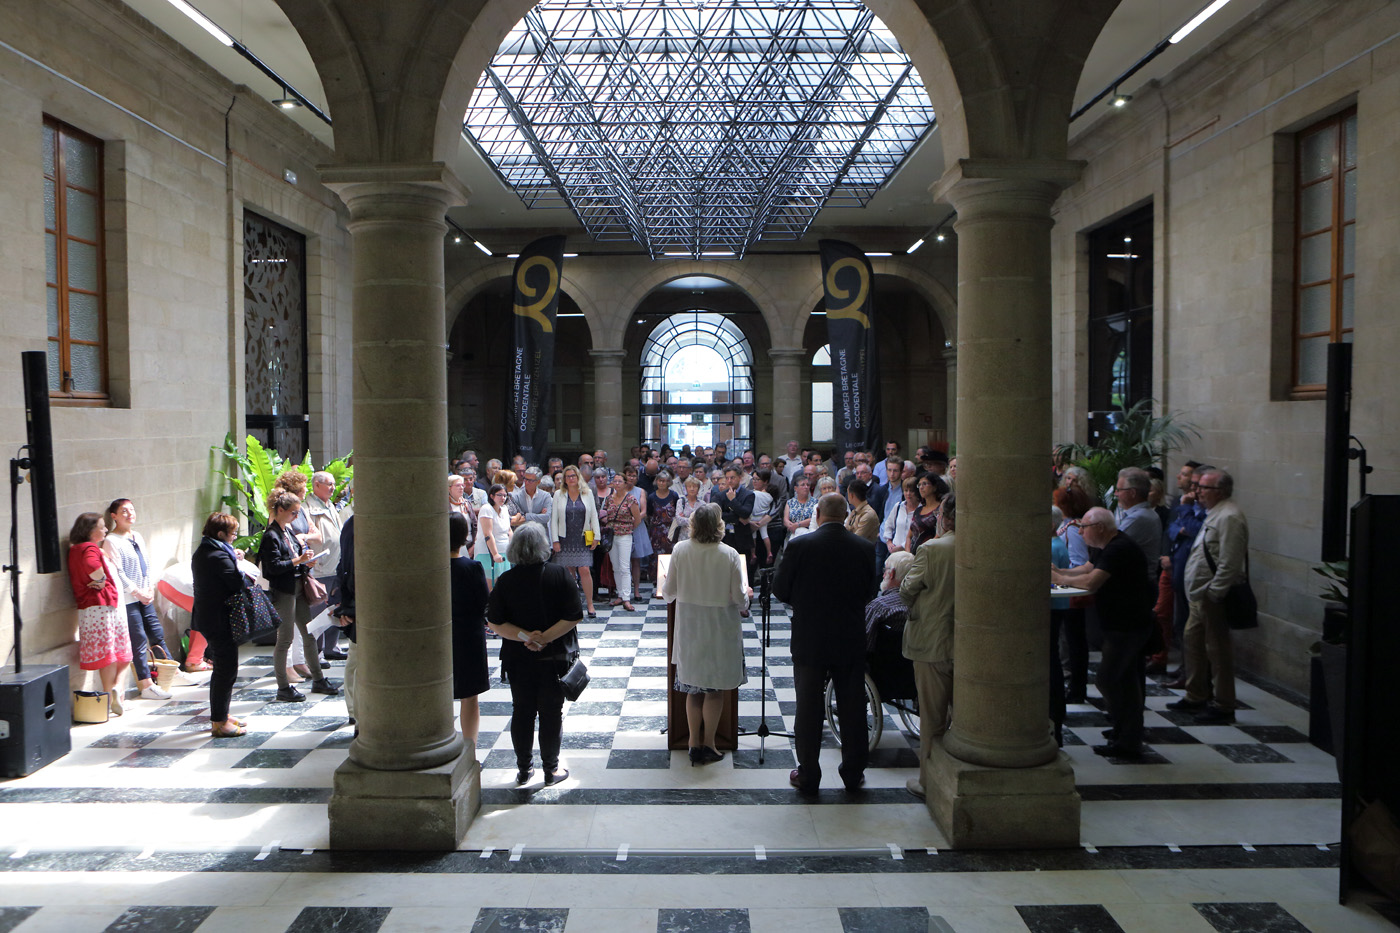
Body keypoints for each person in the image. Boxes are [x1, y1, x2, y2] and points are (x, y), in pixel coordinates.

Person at [772, 493, 879, 795]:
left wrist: (805, 602)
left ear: (817, 513)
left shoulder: (800, 545)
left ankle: (808, 773)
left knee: (808, 706)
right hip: (849, 636)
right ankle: (853, 772)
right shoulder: (864, 547)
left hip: (811, 637)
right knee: (853, 706)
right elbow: (869, 590)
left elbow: (780, 590)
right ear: (846, 515)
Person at [1052, 507, 1154, 758]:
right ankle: (1126, 732)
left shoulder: (1119, 548)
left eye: (1083, 528)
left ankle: (1128, 736)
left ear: (1098, 528)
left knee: (1109, 679)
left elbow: (1090, 582)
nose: (1080, 532)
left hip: (1128, 626)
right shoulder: (1106, 547)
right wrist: (1060, 573)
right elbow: (1086, 569)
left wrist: (1054, 574)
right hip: (1119, 625)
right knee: (1125, 680)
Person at [487, 523, 584, 786]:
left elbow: (494, 622)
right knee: (552, 713)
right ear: (543, 546)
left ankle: (523, 770)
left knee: (522, 711)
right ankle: (551, 770)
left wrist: (526, 637)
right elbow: (574, 615)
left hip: (518, 660)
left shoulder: (506, 580)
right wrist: (544, 638)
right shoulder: (560, 574)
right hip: (555, 660)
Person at [662, 502, 747, 765]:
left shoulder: (680, 550)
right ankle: (709, 742)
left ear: (694, 525)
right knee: (714, 689)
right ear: (719, 525)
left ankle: (691, 743)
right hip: (720, 628)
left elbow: (668, 593)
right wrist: (747, 596)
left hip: (690, 628)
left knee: (693, 687)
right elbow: (739, 599)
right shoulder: (730, 553)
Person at [1172, 468, 1249, 725]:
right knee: (1192, 641)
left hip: (1211, 596)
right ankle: (1196, 694)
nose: (1198, 492)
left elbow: (1230, 560)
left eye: (1203, 488)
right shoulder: (1213, 513)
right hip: (1199, 595)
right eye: (1198, 487)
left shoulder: (1230, 517)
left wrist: (1216, 591)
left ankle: (1224, 703)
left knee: (1217, 650)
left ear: (1220, 491)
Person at [898, 493, 956, 798]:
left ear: (944, 517)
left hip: (934, 640)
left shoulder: (934, 548)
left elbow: (907, 590)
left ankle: (928, 780)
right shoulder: (987, 541)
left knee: (932, 718)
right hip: (970, 645)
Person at [260, 489, 339, 702]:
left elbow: (294, 558)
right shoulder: (271, 535)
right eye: (293, 513)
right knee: (285, 638)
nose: (297, 517)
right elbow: (271, 568)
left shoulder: (286, 532)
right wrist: (298, 561)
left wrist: (306, 562)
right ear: (280, 510)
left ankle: (319, 679)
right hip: (284, 591)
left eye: (298, 513)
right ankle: (283, 687)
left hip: (298, 587)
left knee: (309, 633)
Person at [102, 498, 173, 700]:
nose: (129, 513)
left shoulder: (137, 536)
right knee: (139, 639)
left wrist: (148, 588)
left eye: (132, 510)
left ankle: (171, 672)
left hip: (145, 594)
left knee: (157, 633)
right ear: (114, 516)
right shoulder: (111, 541)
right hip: (128, 598)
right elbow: (118, 572)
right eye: (124, 511)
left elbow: (146, 565)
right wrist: (137, 592)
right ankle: (146, 684)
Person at [191, 512, 254, 737]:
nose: (234, 536)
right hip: (219, 620)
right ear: (220, 534)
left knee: (224, 669)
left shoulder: (205, 550)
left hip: (211, 618)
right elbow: (236, 582)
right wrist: (238, 562)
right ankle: (219, 722)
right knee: (225, 671)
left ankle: (222, 715)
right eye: (233, 533)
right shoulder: (217, 556)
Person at [67, 512, 133, 717]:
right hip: (103, 606)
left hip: (93, 607)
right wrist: (102, 579)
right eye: (102, 526)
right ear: (89, 530)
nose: (105, 530)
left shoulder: (76, 550)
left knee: (113, 652)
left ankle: (113, 691)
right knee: (115, 651)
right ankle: (113, 691)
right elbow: (92, 568)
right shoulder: (88, 548)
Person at [449, 512, 490, 747]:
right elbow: (484, 602)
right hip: (469, 636)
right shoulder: (472, 567)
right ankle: (470, 748)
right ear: (465, 537)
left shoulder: (433, 569)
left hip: (444, 635)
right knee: (470, 696)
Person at [305, 471, 347, 662]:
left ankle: (332, 647)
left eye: (333, 484)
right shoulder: (308, 506)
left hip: (336, 564)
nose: (332, 488)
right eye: (329, 484)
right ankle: (318, 652)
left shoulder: (330, 504)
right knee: (319, 612)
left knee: (335, 606)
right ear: (316, 485)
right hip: (322, 566)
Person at [550, 464, 602, 618]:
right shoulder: (558, 494)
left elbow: (594, 516)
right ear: (564, 479)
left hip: (582, 537)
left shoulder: (587, 493)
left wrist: (596, 536)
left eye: (573, 476)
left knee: (584, 569)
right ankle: (572, 603)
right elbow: (554, 520)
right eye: (568, 476)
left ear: (578, 477)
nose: (571, 479)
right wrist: (555, 540)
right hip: (564, 537)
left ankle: (590, 604)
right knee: (568, 572)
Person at [600, 473, 642, 611]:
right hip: (612, 535)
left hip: (625, 535)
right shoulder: (609, 498)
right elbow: (604, 514)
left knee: (624, 567)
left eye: (619, 481)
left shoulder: (631, 499)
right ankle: (620, 594)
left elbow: (637, 519)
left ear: (625, 483)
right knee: (615, 566)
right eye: (615, 481)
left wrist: (628, 528)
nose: (617, 484)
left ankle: (626, 598)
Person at [474, 483, 514, 590]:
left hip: (504, 552)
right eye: (499, 495)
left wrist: (514, 548)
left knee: (503, 586)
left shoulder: (504, 509)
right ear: (491, 496)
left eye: (505, 495)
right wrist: (495, 554)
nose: (503, 498)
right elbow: (488, 533)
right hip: (488, 553)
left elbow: (509, 530)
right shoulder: (486, 508)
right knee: (490, 588)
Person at [907, 473, 948, 551]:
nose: (921, 487)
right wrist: (907, 553)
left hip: (930, 553)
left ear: (935, 487)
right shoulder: (918, 510)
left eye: (924, 484)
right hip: (912, 555)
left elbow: (939, 534)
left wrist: (924, 551)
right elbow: (909, 536)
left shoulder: (941, 509)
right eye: (919, 485)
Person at [646, 469, 679, 563]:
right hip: (656, 533)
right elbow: (649, 514)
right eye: (660, 480)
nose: (661, 483)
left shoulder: (674, 496)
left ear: (668, 482)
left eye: (664, 481)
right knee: (655, 558)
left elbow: (677, 512)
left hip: (671, 532)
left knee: (671, 556)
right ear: (656, 481)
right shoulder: (651, 497)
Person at [783, 474, 816, 541]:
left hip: (809, 537)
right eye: (803, 485)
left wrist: (798, 525)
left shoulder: (815, 502)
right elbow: (785, 519)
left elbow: (814, 518)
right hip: (792, 536)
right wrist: (790, 526)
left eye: (808, 485)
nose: (806, 487)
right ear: (796, 488)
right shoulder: (790, 502)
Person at [673, 475, 704, 543]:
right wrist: (696, 521)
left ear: (698, 489)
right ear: (686, 488)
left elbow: (704, 521)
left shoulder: (702, 504)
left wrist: (685, 518)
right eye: (689, 487)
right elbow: (679, 520)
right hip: (683, 537)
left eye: (694, 487)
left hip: (698, 537)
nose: (692, 489)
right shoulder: (681, 502)